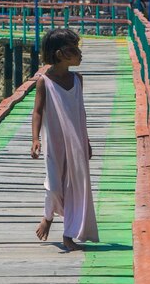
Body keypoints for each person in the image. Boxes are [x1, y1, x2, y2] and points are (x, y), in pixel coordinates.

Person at [31, 28, 99, 251]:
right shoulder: (44, 81)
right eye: (75, 49)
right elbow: (38, 112)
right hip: (54, 142)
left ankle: (69, 234)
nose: (80, 54)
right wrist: (35, 140)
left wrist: (86, 140)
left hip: (76, 141)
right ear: (61, 54)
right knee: (54, 184)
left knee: (75, 186)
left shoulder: (78, 79)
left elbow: (81, 111)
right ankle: (48, 216)